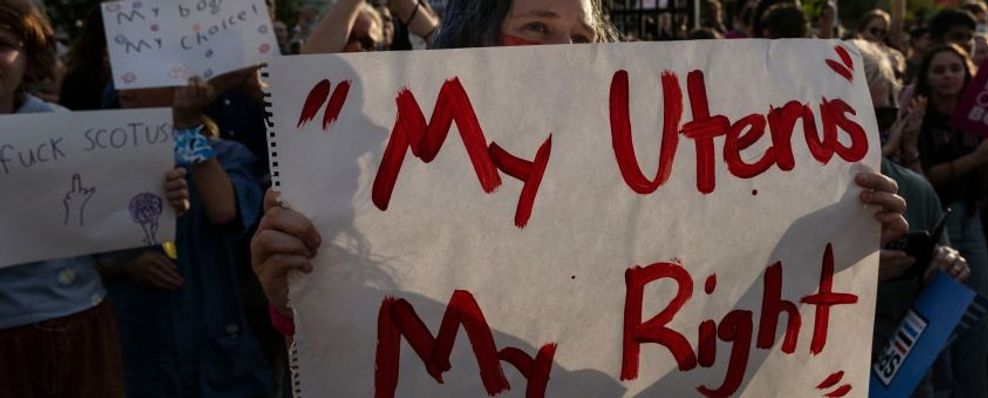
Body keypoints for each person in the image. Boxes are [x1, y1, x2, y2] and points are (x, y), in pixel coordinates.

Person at [250, 0, 911, 347]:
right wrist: (295, 299)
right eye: (535, 27)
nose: (563, 54)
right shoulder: (389, 173)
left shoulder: (661, 169)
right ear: (474, 46)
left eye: (581, 35)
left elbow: (707, 307)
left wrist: (833, 247)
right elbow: (370, 340)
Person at [0, 1, 188, 396]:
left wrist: (163, 199)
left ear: (30, 55)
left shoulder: (64, 127)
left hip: (80, 318)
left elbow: (112, 241)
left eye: (3, 44)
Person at [105, 79, 271, 398]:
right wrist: (124, 266)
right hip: (140, 351)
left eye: (139, 76)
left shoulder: (225, 154)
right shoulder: (99, 160)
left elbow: (225, 212)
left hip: (215, 348)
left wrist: (186, 126)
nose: (126, 87)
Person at [856, 38, 970, 398]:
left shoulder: (915, 189)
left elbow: (943, 269)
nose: (869, 131)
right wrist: (852, 276)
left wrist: (949, 266)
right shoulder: (778, 195)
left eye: (884, 117)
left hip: (900, 376)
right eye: (853, 116)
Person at [912, 44, 988, 398]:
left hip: (971, 217)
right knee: (942, 317)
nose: (948, 76)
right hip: (938, 222)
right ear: (926, 77)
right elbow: (924, 178)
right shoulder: (920, 117)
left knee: (978, 312)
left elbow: (985, 180)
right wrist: (976, 157)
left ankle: (975, 389)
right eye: (939, 70)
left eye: (955, 68)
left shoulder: (977, 114)